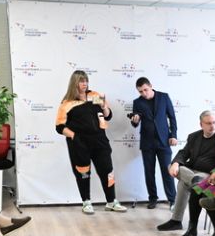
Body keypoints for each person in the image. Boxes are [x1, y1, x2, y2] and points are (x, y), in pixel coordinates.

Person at [55, 70, 127, 215]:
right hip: (80, 144)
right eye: (81, 81)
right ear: (74, 83)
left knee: (107, 171)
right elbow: (59, 127)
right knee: (83, 173)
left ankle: (111, 201)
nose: (85, 84)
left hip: (100, 141)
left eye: (86, 80)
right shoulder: (67, 103)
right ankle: (86, 202)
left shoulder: (94, 96)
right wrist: (75, 137)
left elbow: (108, 116)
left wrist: (104, 106)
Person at [157, 111, 215, 236]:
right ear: (201, 124)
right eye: (208, 123)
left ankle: (177, 221)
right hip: (193, 172)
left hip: (211, 174)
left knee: (183, 184)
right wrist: (176, 163)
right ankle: (196, 181)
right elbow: (184, 153)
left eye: (214, 122)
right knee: (172, 166)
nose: (212, 126)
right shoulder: (194, 136)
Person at [130, 77, 177, 209]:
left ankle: (172, 200)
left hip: (164, 141)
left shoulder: (164, 97)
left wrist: (173, 135)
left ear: (151, 86)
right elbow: (135, 122)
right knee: (149, 172)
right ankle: (152, 198)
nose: (144, 93)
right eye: (140, 91)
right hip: (147, 142)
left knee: (167, 172)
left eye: (145, 90)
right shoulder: (137, 102)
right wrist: (135, 120)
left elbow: (172, 117)